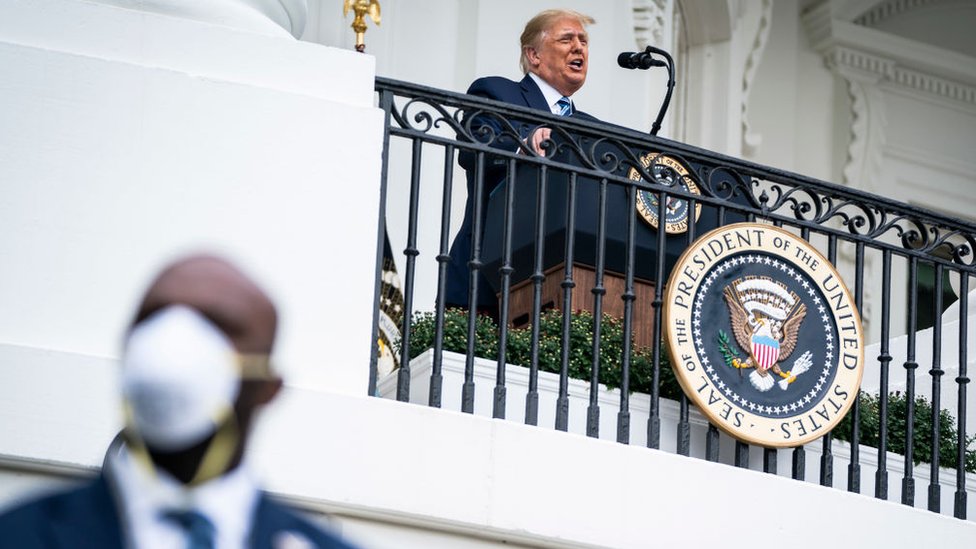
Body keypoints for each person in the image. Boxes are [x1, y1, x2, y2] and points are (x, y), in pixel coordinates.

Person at [0, 255, 360, 549]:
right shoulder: (15, 536)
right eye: (154, 315)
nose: (173, 345)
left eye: (218, 323)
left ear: (269, 387)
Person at [444, 9, 598, 318]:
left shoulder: (590, 127)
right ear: (534, 54)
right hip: (485, 279)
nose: (579, 47)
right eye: (567, 39)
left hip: (562, 288)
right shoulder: (498, 92)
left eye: (583, 40)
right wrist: (523, 145)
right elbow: (472, 149)